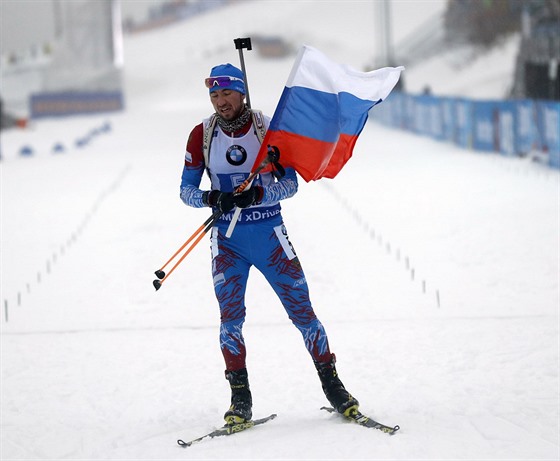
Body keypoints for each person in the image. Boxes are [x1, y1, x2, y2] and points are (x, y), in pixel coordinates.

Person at [180, 63, 359, 424]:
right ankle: (240, 398)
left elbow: (290, 185)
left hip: (270, 238)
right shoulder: (202, 134)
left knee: (303, 313)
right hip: (227, 243)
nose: (220, 101)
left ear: (241, 92)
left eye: (227, 93)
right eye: (214, 95)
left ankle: (334, 386)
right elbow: (185, 191)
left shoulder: (268, 131)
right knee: (230, 319)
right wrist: (213, 199)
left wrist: (257, 194)